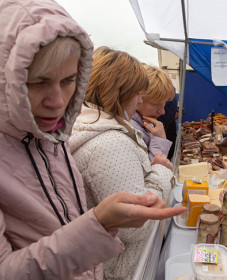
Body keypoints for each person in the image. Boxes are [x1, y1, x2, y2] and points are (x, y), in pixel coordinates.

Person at [0, 1, 186, 279]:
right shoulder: (107, 142)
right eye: (37, 82)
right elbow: (133, 227)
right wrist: (99, 223)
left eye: (68, 80)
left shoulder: (53, 139)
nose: (58, 101)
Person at [69, 46, 175, 279]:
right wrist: (160, 172)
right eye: (136, 93)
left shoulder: (97, 127)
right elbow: (135, 224)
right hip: (121, 269)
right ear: (119, 92)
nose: (139, 100)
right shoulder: (109, 144)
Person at [131, 65, 175, 161]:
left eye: (164, 104)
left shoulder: (142, 122)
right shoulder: (129, 131)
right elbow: (147, 173)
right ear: (138, 98)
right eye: (156, 104)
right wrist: (160, 140)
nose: (162, 112)